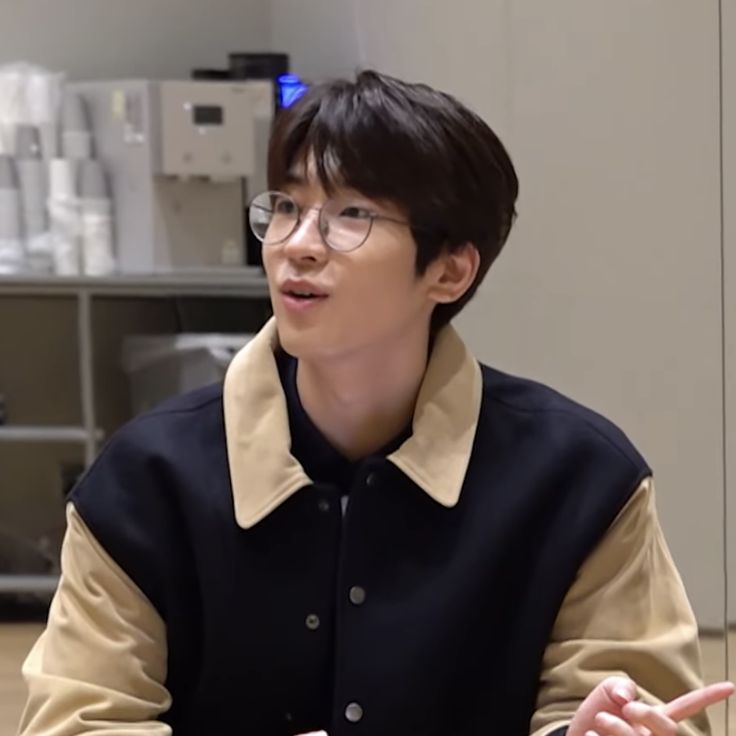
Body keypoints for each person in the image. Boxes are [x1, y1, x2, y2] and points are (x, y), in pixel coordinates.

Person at [18, 70, 732, 736]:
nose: (297, 245)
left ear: (449, 270)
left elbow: (637, 707)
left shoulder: (580, 481)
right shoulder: (147, 482)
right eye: (289, 207)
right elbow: (80, 719)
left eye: (350, 215)